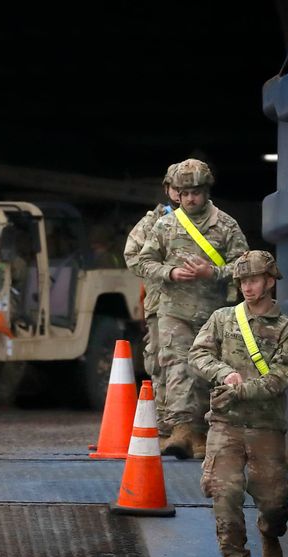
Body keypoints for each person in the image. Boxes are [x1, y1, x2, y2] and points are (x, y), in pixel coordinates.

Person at [188, 250, 288, 557]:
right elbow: (198, 354)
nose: (247, 287)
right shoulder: (223, 318)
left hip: (266, 426)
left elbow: (284, 375)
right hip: (225, 424)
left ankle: (270, 530)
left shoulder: (286, 327)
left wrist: (242, 390)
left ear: (269, 281)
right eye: (242, 282)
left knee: (274, 501)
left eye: (253, 280)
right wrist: (223, 373)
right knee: (224, 493)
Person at [136, 158, 249, 458]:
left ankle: (202, 431)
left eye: (195, 192)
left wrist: (212, 272)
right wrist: (170, 273)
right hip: (174, 310)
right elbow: (144, 262)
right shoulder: (165, 225)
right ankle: (181, 429)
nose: (189, 199)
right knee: (175, 366)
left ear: (206, 191)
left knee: (206, 370)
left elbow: (244, 265)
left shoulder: (225, 225)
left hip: (213, 312)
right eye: (184, 193)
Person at [124, 163, 180, 438]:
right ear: (167, 189)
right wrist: (163, 272)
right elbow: (132, 256)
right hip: (161, 303)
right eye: (177, 188)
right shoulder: (153, 221)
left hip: (203, 303)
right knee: (161, 358)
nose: (182, 193)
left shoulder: (212, 220)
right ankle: (165, 423)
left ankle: (196, 425)